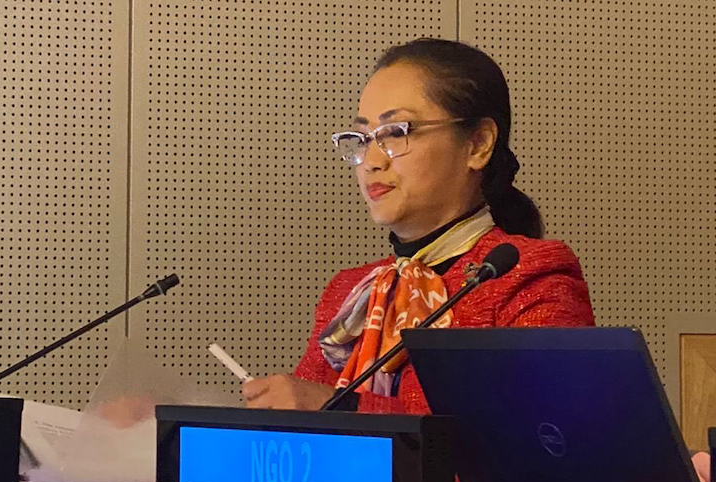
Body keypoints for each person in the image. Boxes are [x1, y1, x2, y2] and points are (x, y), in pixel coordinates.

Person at [243, 38, 596, 413]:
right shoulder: (349, 291)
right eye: (362, 138)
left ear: (479, 144)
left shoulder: (530, 274)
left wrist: (343, 409)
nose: (370, 162)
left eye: (396, 133)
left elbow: (534, 444)